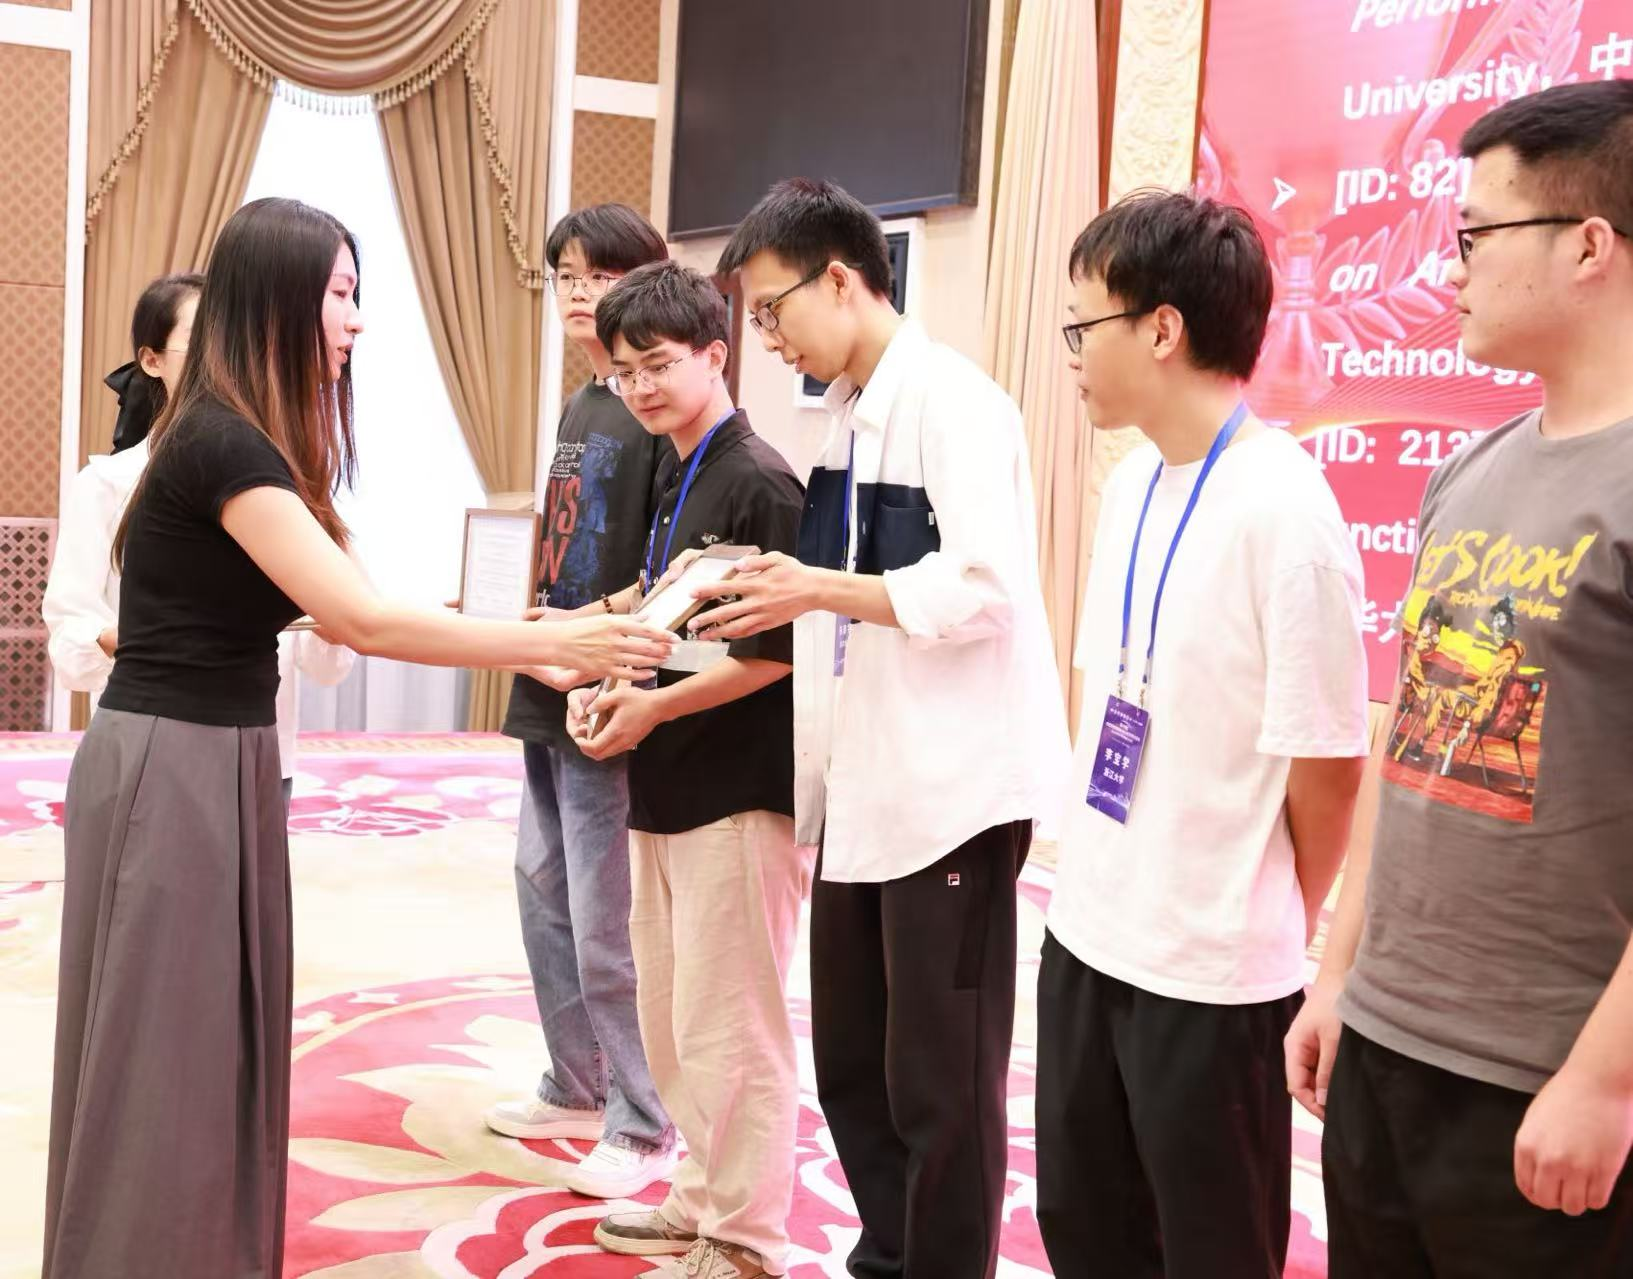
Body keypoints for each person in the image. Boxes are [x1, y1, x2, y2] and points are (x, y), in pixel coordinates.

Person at [41, 196, 674, 1279]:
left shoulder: (245, 440)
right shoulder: (222, 443)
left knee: (206, 1043)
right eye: (340, 293)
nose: (356, 318)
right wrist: (544, 643)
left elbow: (355, 606)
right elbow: (362, 622)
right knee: (169, 1053)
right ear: (279, 300)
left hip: (214, 756)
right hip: (174, 764)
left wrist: (537, 635)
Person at [1287, 78, 1633, 1278]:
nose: (1452, 269)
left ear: (1588, 245)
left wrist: (1606, 1078)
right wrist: (1339, 973)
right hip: (1386, 1045)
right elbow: (1412, 735)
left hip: (1543, 1077)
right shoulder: (1470, 471)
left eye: (1478, 234)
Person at [705, 178, 1070, 1279]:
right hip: (865, 790)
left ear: (841, 280)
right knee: (855, 1068)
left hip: (951, 797)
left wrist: (817, 587)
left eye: (774, 310)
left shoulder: (956, 403)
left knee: (941, 1083)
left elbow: (987, 589)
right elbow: (843, 595)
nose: (769, 339)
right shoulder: (838, 420)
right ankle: (887, 1258)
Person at [1034, 189, 1370, 1279]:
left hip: (1213, 972)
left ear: (1161, 329)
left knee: (1210, 1249)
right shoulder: (1133, 478)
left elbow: (1328, 769)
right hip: (1089, 929)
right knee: (1086, 1229)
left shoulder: (1286, 511)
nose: (1072, 352)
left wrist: (1265, 917)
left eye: (1083, 324)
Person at [561, 260, 810, 1279]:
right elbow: (667, 603)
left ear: (716, 353)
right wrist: (590, 652)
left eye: (659, 364)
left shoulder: (759, 480)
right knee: (673, 1016)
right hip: (667, 782)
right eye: (625, 372)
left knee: (732, 1024)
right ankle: (702, 1196)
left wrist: (652, 705)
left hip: (738, 790)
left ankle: (747, 1238)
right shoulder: (677, 465)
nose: (641, 387)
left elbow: (775, 653)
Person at [483, 203, 678, 1199]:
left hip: (607, 679)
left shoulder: (658, 415)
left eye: (598, 274)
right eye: (565, 273)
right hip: (545, 668)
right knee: (539, 883)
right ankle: (575, 1079)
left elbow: (671, 566)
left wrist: (597, 640)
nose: (576, 291)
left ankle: (644, 1121)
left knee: (606, 915)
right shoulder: (581, 405)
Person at [43, 273, 353, 805]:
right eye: (203, 340)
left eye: (236, 341)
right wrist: (155, 638)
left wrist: (333, 622)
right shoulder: (107, 484)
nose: (224, 359)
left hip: (261, 744)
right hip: (153, 740)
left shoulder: (281, 478)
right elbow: (71, 634)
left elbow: (326, 657)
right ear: (151, 360)